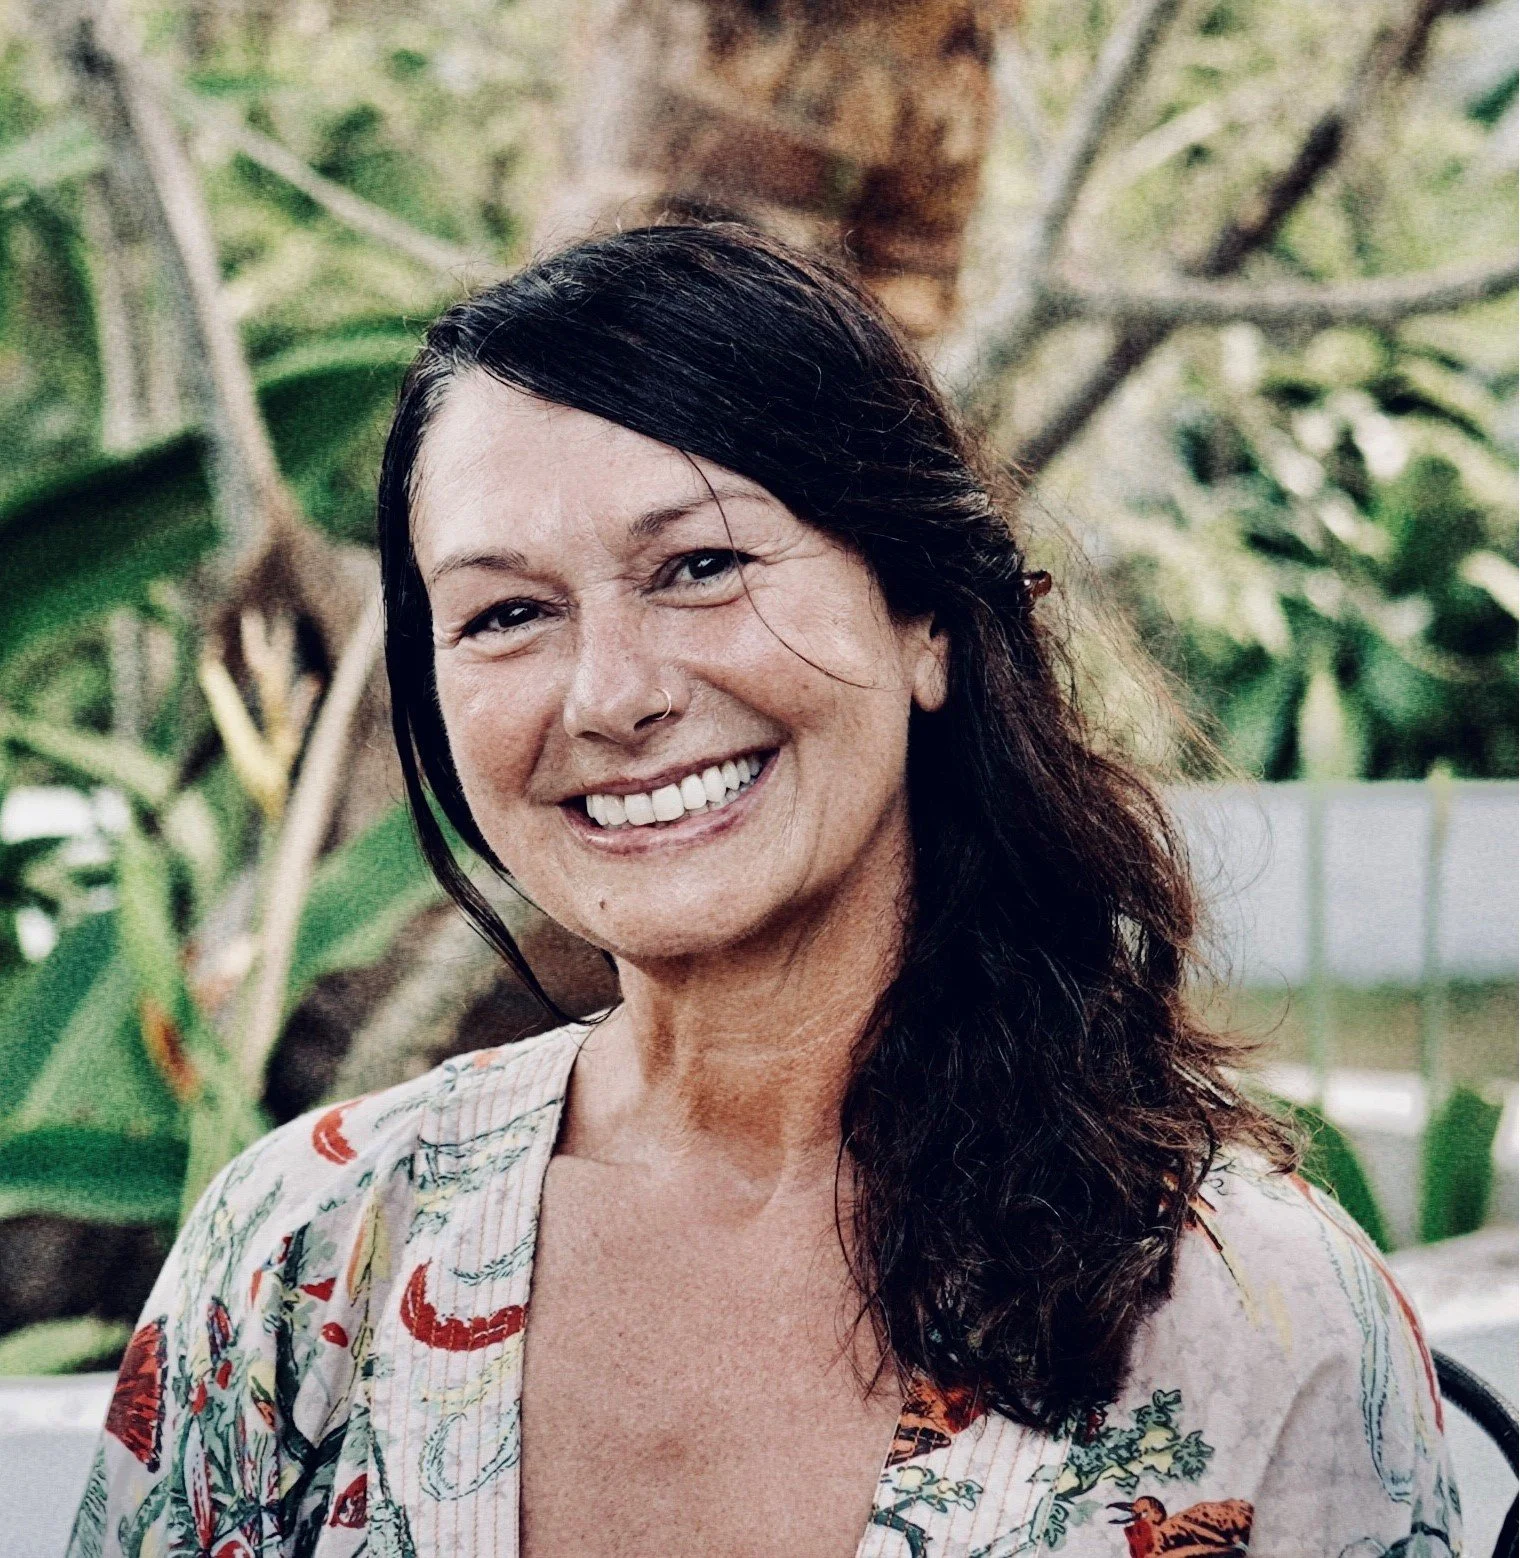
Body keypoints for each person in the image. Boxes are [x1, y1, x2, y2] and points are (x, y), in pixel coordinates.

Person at [69, 224, 1461, 1558]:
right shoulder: (306, 1261)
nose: (610, 695)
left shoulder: (1246, 1308)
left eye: (701, 566)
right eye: (507, 613)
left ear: (923, 617)